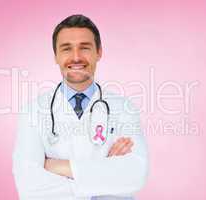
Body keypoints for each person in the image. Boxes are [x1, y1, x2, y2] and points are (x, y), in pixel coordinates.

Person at [12, 14, 149, 200]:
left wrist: (56, 166)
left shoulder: (124, 108)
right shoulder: (33, 111)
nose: (76, 57)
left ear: (99, 52)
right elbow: (29, 188)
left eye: (84, 48)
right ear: (56, 56)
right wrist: (103, 174)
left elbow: (135, 175)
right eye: (66, 49)